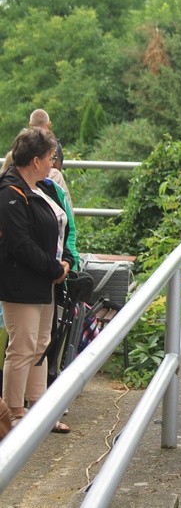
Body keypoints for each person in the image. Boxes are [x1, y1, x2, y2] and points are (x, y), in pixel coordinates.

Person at [0, 127, 74, 433]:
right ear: (35, 160)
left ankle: (39, 409)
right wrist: (55, 269)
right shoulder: (9, 192)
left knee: (41, 344)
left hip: (45, 282)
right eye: (50, 157)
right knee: (22, 346)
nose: (53, 162)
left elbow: (61, 227)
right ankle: (14, 412)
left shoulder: (43, 187)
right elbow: (21, 243)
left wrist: (66, 260)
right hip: (21, 284)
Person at [29, 109, 70, 206]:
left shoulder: (24, 144)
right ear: (49, 124)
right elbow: (57, 168)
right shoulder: (55, 146)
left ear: (30, 124)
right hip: (51, 194)